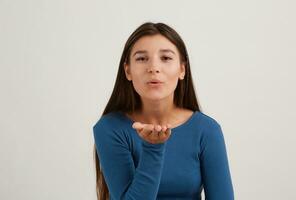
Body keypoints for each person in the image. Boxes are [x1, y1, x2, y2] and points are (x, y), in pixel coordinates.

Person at [92, 22, 234, 200]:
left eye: (166, 58)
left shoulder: (207, 130)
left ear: (182, 69)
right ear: (127, 71)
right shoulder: (109, 128)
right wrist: (153, 148)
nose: (154, 68)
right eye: (142, 59)